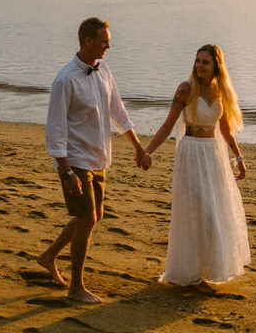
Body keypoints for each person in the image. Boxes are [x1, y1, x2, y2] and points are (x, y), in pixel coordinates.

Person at [38, 17, 151, 304]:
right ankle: (76, 287)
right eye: (104, 40)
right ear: (87, 41)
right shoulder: (65, 80)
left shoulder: (104, 71)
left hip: (99, 157)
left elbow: (118, 111)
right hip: (74, 162)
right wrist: (66, 173)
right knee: (87, 218)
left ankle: (49, 255)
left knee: (92, 216)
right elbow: (55, 130)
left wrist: (137, 147)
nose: (108, 45)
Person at [143, 44, 250, 292]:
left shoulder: (220, 90)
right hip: (190, 152)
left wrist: (239, 157)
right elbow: (168, 125)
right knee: (195, 211)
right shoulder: (186, 89)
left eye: (205, 62)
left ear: (216, 66)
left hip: (213, 154)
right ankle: (191, 275)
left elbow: (225, 128)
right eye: (197, 61)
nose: (199, 66)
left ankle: (208, 270)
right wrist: (147, 151)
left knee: (214, 211)